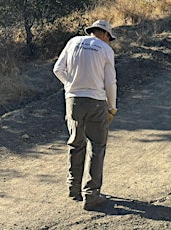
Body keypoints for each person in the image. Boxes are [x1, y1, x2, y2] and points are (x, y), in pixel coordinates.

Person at [53, 20, 117, 211]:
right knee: (97, 146)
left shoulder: (73, 42)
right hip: (96, 101)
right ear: (105, 35)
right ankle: (91, 194)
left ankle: (73, 189)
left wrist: (70, 85)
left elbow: (58, 69)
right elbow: (110, 83)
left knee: (76, 143)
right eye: (109, 38)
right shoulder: (105, 50)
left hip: (73, 100)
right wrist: (112, 107)